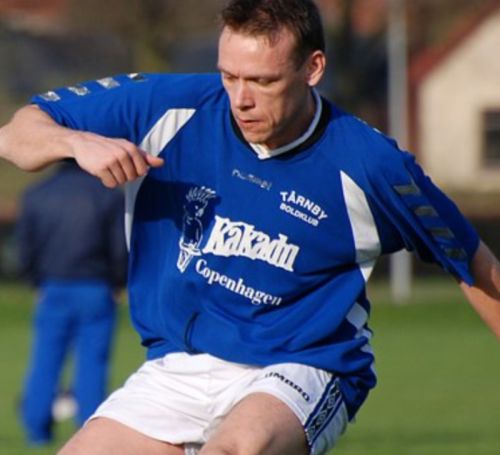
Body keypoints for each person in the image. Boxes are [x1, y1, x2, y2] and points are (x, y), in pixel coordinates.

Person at [0, 0, 499, 453]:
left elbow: (473, 263)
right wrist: (75, 143)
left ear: (313, 68)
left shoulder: (371, 165)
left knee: (236, 450)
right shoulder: (169, 107)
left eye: (262, 81)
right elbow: (16, 134)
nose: (241, 98)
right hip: (179, 366)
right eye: (229, 76)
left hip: (303, 364)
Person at [15, 159, 128, 446]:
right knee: (92, 362)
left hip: (52, 287)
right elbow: (119, 247)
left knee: (45, 358)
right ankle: (87, 432)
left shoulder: (37, 193)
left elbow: (25, 246)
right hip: (96, 288)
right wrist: (118, 282)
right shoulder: (107, 195)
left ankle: (36, 432)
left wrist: (35, 281)